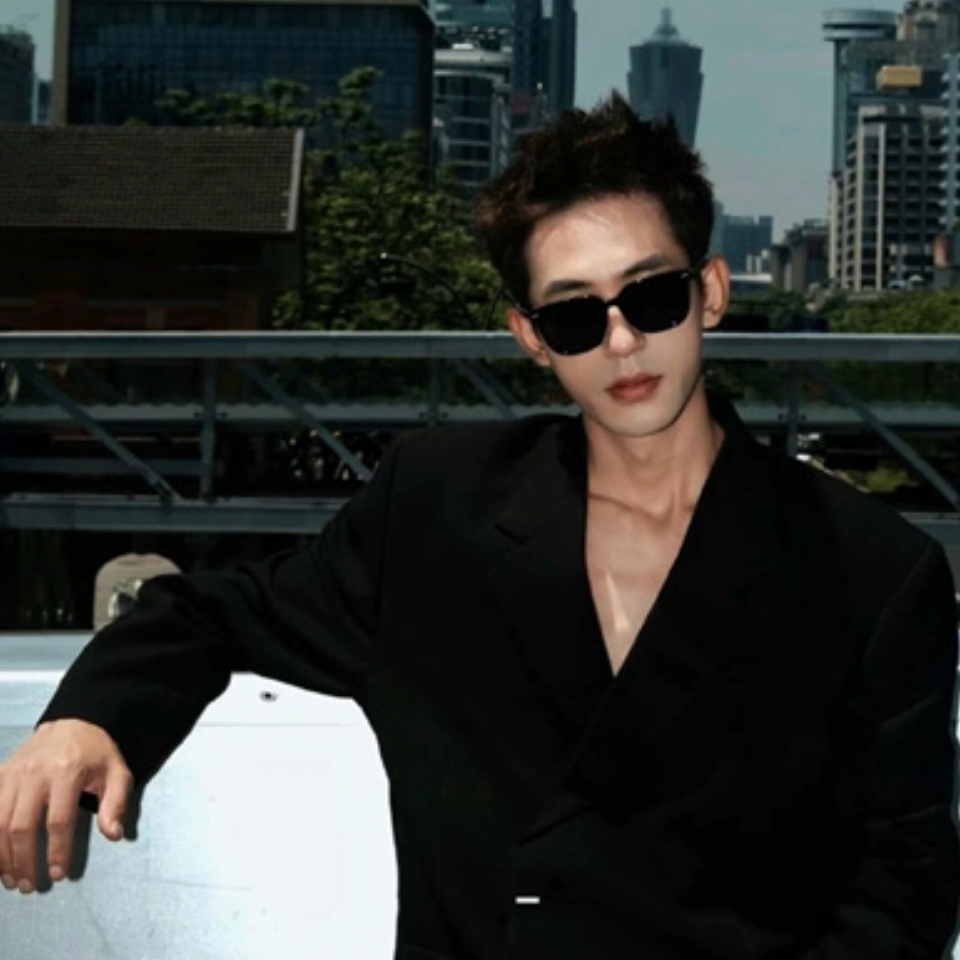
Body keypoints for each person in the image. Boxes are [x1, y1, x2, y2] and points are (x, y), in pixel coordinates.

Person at [1, 93, 958, 960]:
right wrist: (87, 717)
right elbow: (211, 610)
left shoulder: (874, 572)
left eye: (652, 296)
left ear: (710, 290)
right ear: (530, 338)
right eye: (575, 316)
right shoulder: (438, 509)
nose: (622, 341)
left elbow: (904, 897)